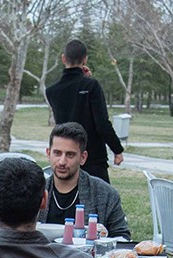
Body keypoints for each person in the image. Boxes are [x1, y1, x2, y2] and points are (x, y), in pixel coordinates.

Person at [45, 39, 125, 184]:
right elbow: (102, 123)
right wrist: (117, 149)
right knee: (100, 201)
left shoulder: (52, 91)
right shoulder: (92, 86)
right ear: (85, 59)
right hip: (93, 156)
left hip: (66, 156)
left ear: (63, 58)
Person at [38, 122, 130, 240]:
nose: (62, 161)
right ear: (48, 153)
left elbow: (122, 237)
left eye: (70, 155)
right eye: (57, 153)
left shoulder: (105, 194)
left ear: (83, 158)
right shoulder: (35, 192)